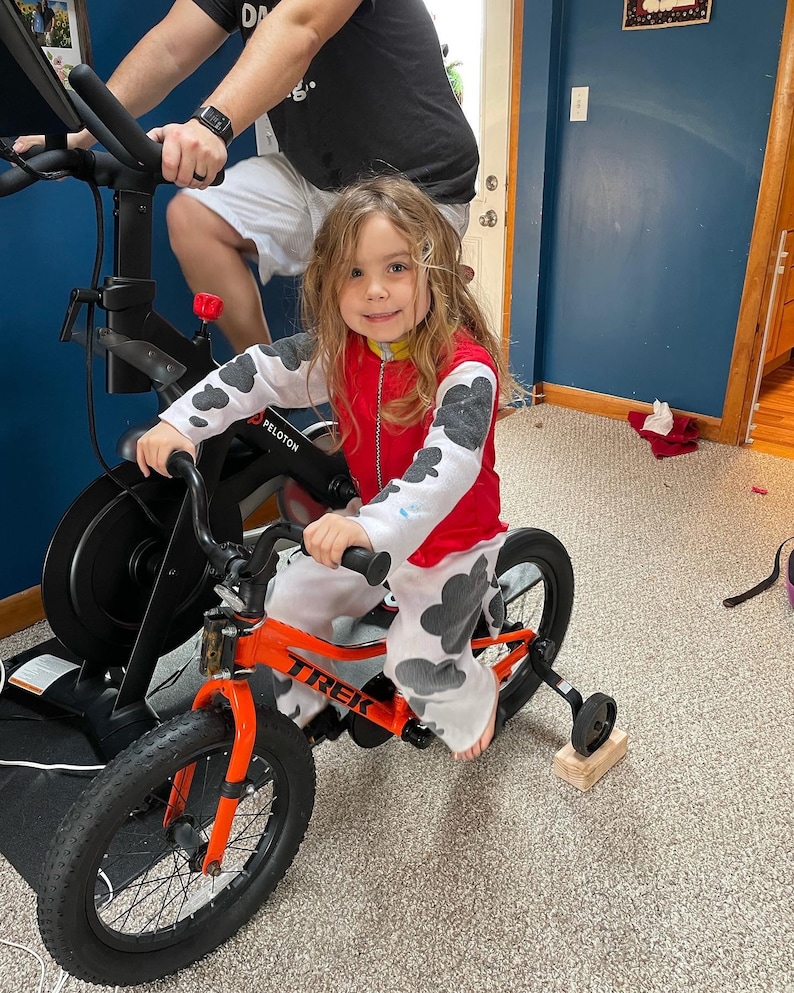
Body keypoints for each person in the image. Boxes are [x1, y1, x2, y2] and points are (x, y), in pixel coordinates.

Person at [136, 175, 517, 762]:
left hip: (451, 545)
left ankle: (471, 701)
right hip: (372, 527)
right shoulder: (341, 350)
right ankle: (308, 714)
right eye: (354, 273)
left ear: (434, 272)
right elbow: (257, 371)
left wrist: (371, 525)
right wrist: (182, 422)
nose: (375, 292)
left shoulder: (464, 371)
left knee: (415, 664)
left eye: (397, 268)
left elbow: (448, 465)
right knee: (288, 601)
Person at [15, 0, 478, 354]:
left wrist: (212, 123)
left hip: (412, 181)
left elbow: (301, 25)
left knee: (382, 347)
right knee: (195, 220)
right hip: (316, 176)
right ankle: (265, 401)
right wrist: (78, 133)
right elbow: (170, 47)